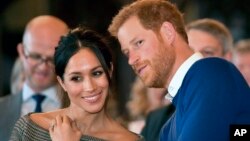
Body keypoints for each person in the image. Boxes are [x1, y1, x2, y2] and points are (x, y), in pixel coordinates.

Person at [108, 0, 250, 140]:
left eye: (138, 43)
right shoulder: (168, 128)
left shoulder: (212, 72)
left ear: (167, 33)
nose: (131, 60)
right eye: (127, 53)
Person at [10, 26, 143, 141]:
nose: (90, 87)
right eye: (76, 78)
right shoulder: (29, 129)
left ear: (110, 70)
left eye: (96, 73)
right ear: (62, 82)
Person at [140, 18, 234, 141]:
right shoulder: (157, 119)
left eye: (207, 52)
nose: (197, 59)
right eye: (190, 51)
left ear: (227, 58)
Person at [0, 15, 68, 141]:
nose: (42, 67)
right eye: (35, 56)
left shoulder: (83, 112)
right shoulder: (2, 110)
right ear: (21, 51)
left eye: (52, 59)